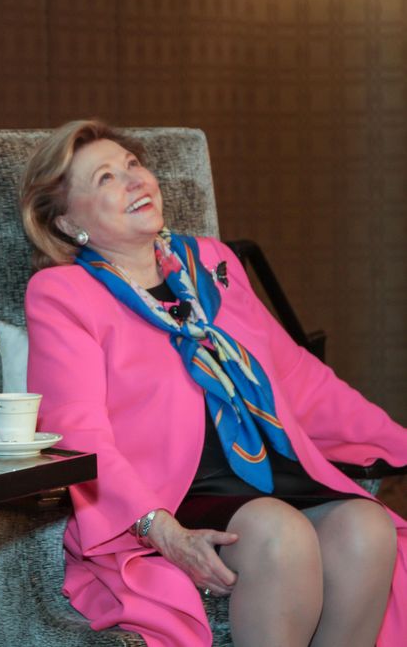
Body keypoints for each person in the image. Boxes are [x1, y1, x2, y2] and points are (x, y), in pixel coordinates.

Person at [20, 119, 407, 647]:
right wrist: (159, 528)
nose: (134, 181)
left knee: (368, 528)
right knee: (280, 533)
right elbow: (74, 430)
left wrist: (401, 443)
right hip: (171, 491)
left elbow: (297, 376)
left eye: (133, 165)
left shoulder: (212, 262)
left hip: (267, 470)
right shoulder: (63, 293)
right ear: (67, 223)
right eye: (105, 178)